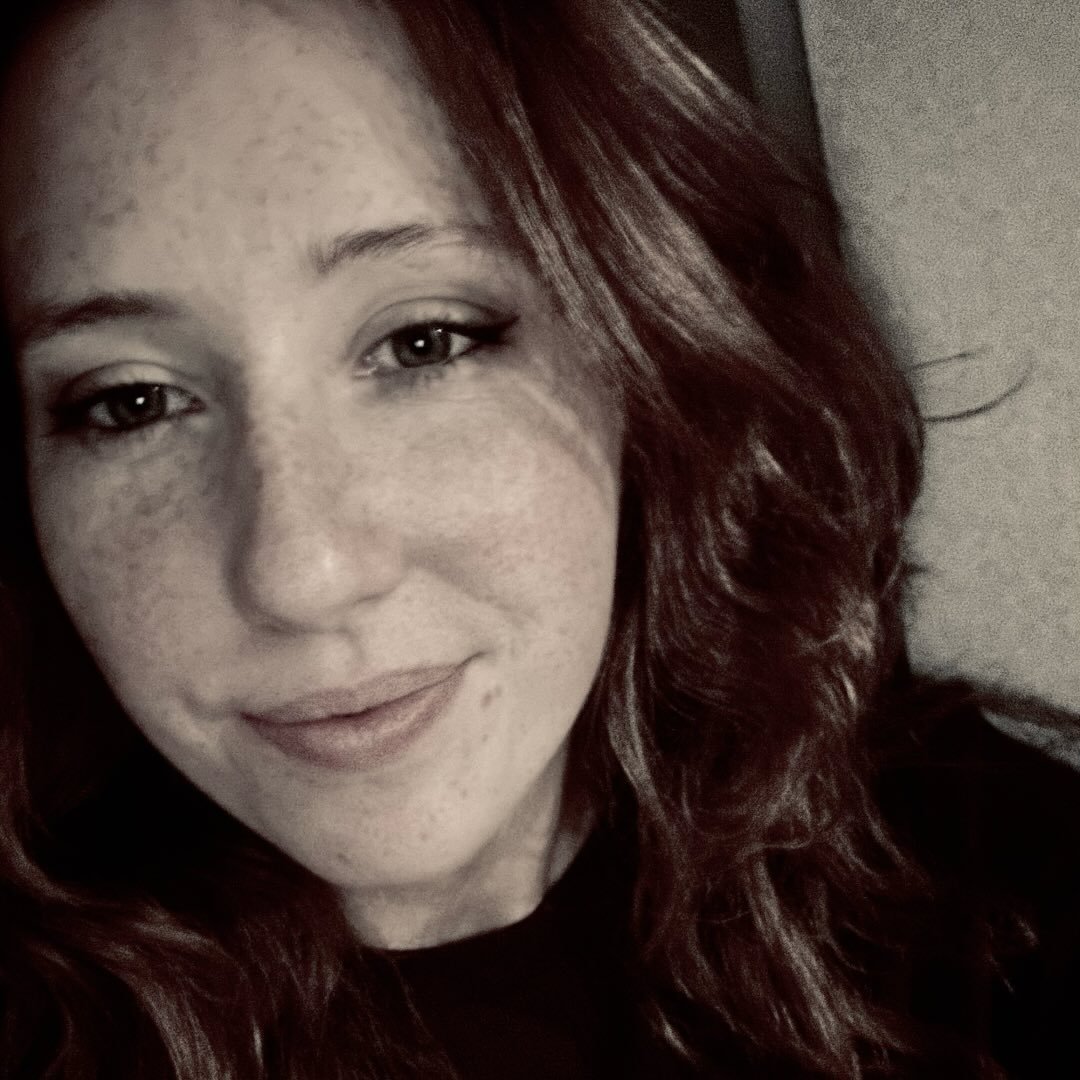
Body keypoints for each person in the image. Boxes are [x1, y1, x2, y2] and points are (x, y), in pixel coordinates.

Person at [0, 0, 961, 1076]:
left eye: (426, 340)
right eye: (130, 402)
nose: (302, 573)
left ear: (649, 350)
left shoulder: (998, 922)